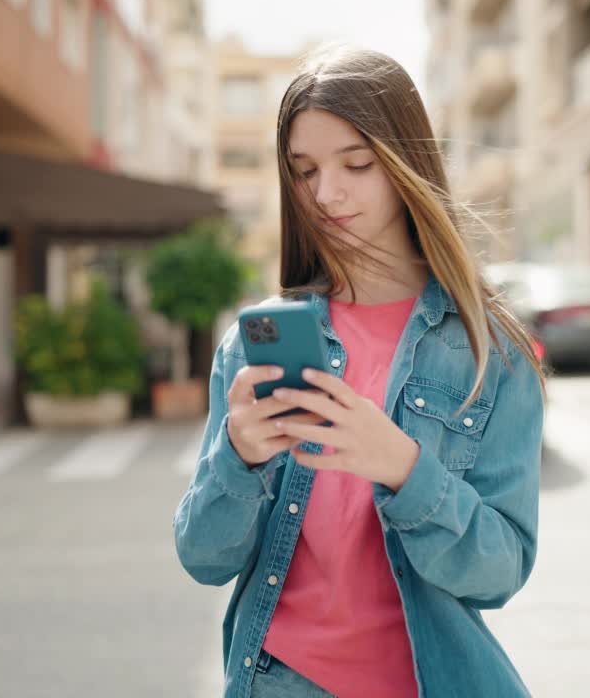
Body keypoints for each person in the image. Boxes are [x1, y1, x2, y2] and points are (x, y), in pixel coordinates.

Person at [174, 44, 546, 698]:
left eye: (357, 164)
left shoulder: (493, 351)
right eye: (304, 170)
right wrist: (238, 457)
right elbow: (204, 558)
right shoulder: (254, 342)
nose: (326, 193)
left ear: (405, 165)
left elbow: (500, 572)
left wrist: (405, 468)